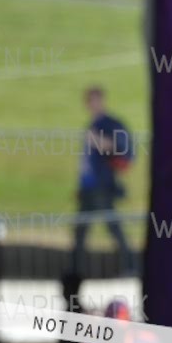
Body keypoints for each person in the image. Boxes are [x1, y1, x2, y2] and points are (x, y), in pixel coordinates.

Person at [71, 86, 133, 276]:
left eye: (96, 100)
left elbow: (119, 148)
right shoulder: (92, 124)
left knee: (113, 227)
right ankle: (75, 271)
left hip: (102, 186)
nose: (93, 104)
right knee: (80, 230)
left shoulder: (109, 124)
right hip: (87, 186)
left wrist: (96, 140)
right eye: (90, 101)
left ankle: (131, 266)